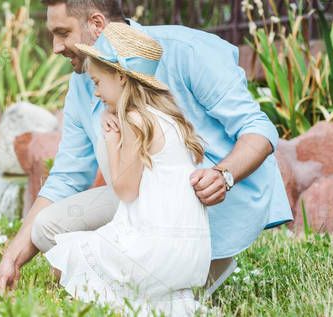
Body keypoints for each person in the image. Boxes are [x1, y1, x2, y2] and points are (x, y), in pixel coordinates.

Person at [0, 0, 292, 300]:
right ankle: (140, 272)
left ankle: (209, 263)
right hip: (140, 197)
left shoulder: (186, 50)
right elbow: (66, 178)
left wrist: (223, 175)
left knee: (144, 290)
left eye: (62, 32)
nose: (55, 47)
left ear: (96, 25)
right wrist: (11, 259)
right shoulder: (83, 85)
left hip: (204, 200)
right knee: (48, 228)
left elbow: (259, 130)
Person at [44, 22, 210, 315]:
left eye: (97, 82)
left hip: (152, 251)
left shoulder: (135, 121)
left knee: (64, 261)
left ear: (120, 76)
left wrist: (111, 139)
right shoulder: (167, 118)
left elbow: (126, 189)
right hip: (189, 255)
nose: (95, 93)